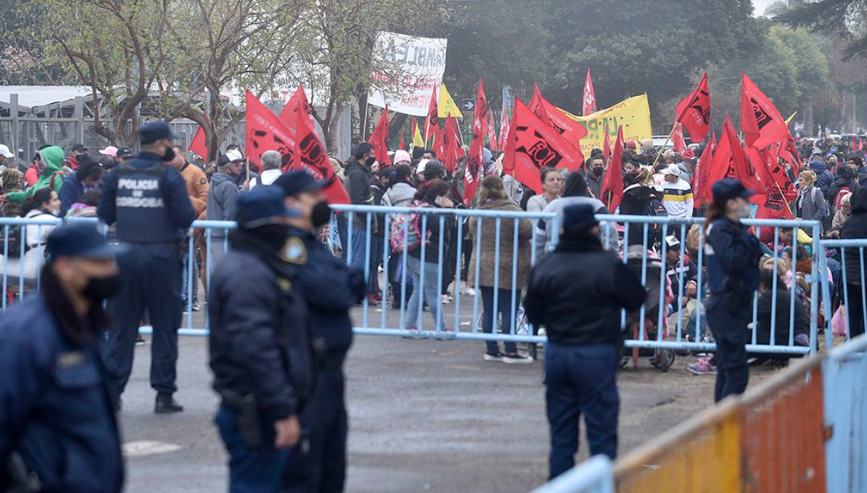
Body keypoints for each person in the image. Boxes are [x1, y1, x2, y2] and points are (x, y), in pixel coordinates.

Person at [0, 223, 124, 493]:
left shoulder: (85, 325)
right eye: (99, 262)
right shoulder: (23, 334)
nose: (111, 270)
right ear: (65, 267)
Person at [524, 204, 645, 477]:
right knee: (601, 433)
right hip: (596, 351)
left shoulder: (546, 265)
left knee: (561, 435)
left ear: (564, 229)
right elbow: (636, 297)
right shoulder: (608, 263)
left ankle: (561, 484)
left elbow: (532, 312)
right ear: (594, 229)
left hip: (557, 352)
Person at [208, 185, 313, 493]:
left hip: (263, 405)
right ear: (267, 225)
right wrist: (281, 410)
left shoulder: (256, 265)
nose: (290, 227)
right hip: (257, 410)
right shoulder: (247, 275)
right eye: (284, 220)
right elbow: (256, 349)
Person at [275, 171, 366, 493]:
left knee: (332, 470)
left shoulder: (313, 244)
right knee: (305, 472)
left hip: (329, 376)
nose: (322, 202)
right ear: (290, 203)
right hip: (307, 375)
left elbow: (356, 283)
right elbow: (336, 291)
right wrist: (344, 283)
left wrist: (345, 283)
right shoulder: (287, 247)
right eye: (313, 196)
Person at [98, 121, 196, 413]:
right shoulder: (169, 176)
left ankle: (113, 393)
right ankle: (163, 394)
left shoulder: (119, 173)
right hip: (162, 257)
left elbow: (105, 213)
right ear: (162, 144)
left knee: (122, 327)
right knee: (165, 326)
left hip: (125, 256)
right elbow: (185, 216)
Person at [704, 178, 763, 402]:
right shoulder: (720, 229)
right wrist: (747, 241)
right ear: (730, 203)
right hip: (725, 306)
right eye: (743, 199)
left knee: (728, 369)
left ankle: (722, 426)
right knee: (736, 372)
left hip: (733, 305)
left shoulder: (732, 228)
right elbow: (733, 260)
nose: (748, 202)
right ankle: (726, 425)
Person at [468, 175, 533, 363]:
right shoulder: (511, 209)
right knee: (508, 309)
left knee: (489, 309)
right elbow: (527, 230)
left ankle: (491, 349)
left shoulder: (479, 211)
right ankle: (511, 351)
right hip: (509, 264)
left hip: (483, 264)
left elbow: (472, 231)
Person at [402, 179, 453, 333]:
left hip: (414, 254)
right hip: (429, 255)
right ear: (439, 196)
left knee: (418, 290)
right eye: (446, 196)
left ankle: (410, 326)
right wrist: (448, 210)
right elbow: (444, 227)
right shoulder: (430, 210)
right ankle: (441, 328)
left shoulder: (417, 205)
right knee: (432, 292)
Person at [169, 145, 210, 311]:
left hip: (192, 222)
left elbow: (205, 198)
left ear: (183, 155)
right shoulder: (169, 173)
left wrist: (192, 211)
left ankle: (191, 298)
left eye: (174, 156)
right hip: (173, 225)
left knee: (190, 261)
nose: (170, 161)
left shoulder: (195, 172)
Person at [536, 172, 610, 254]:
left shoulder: (552, 206)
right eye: (551, 179)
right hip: (592, 256)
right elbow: (610, 231)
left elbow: (539, 236)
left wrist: (540, 261)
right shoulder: (596, 205)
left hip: (555, 257)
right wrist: (610, 256)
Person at [343, 143, 379, 302]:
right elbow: (358, 201)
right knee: (358, 261)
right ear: (365, 155)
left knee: (361, 259)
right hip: (359, 223)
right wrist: (368, 220)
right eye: (372, 153)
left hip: (361, 222)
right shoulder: (358, 174)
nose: (373, 156)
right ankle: (355, 295)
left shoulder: (361, 172)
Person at [207, 149, 245, 272]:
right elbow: (232, 215)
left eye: (241, 164)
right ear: (227, 169)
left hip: (214, 237)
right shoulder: (228, 186)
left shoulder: (214, 182)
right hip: (223, 239)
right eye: (236, 165)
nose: (240, 167)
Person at [20, 187, 61, 279]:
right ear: (45, 204)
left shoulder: (21, 218)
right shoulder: (52, 221)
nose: (60, 202)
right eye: (55, 200)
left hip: (5, 271)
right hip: (33, 273)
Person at [842, 188, 867, 337]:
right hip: (861, 274)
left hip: (850, 278)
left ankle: (853, 355)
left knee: (853, 318)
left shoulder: (849, 222)